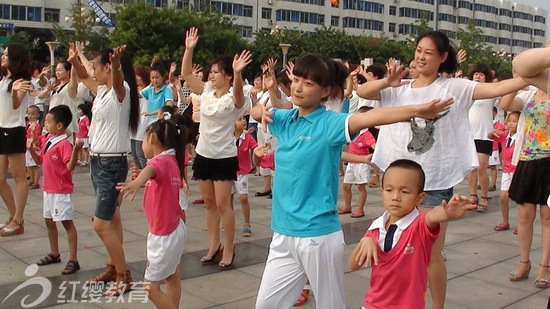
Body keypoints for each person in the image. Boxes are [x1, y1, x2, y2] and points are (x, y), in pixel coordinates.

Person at [252, 54, 453, 309]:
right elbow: (255, 109)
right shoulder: (285, 119)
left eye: (308, 83)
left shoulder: (330, 123)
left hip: (318, 234)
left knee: (330, 305)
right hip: (282, 232)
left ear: (325, 91)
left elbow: (372, 118)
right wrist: (261, 111)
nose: (299, 88)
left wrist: (416, 111)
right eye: (297, 80)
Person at [356, 31, 527, 309]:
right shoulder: (398, 88)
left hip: (434, 182)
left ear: (443, 57)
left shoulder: (455, 88)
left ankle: (437, 306)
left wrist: (529, 74)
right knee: (398, 248)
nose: (421, 57)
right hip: (399, 183)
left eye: (429, 53)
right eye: (418, 51)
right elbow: (362, 91)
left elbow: (496, 89)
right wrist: (387, 81)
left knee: (432, 253)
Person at [348, 159, 475, 309]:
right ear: (382, 193)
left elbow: (433, 216)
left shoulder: (419, 226)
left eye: (405, 191)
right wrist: (365, 241)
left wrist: (446, 212)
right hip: (373, 305)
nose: (395, 197)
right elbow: (353, 265)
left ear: (419, 198)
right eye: (389, 190)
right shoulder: (376, 228)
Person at [67, 43, 140, 296]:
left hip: (112, 164)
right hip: (99, 162)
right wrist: (76, 59)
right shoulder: (101, 91)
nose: (94, 72)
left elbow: (118, 80)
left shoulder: (122, 91)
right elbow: (85, 74)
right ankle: (112, 266)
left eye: (98, 67)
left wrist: (117, 66)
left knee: (100, 224)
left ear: (108, 67)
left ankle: (123, 276)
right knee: (113, 218)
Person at [181, 27, 250, 270]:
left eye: (216, 72)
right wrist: (189, 49)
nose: (211, 76)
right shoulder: (207, 91)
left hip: (224, 156)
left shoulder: (234, 96)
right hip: (203, 153)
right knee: (209, 203)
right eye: (210, 72)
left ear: (228, 75)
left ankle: (229, 247)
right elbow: (186, 75)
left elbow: (240, 95)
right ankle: (214, 244)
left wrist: (238, 75)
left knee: (224, 205)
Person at [117, 119, 187, 309]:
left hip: (163, 233)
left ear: (153, 138)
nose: (142, 144)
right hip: (175, 228)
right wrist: (141, 177)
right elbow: (154, 173)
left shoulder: (160, 161)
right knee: (172, 275)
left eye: (144, 139)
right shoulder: (172, 159)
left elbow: (152, 169)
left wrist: (136, 182)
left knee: (150, 287)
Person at [501, 45, 550, 289]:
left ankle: (545, 265)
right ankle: (524, 261)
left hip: (549, 160)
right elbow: (505, 103)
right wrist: (516, 83)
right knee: (524, 215)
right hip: (528, 158)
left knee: (548, 215)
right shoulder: (530, 93)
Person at [27, 105, 83, 275]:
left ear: (59, 125)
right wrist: (31, 148)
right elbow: (40, 161)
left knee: (67, 223)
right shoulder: (48, 139)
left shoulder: (64, 144)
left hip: (61, 190)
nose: (45, 124)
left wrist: (75, 152)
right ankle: (54, 253)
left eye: (48, 122)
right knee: (49, 221)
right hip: (49, 189)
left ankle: (73, 259)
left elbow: (70, 167)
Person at [0, 42, 33, 236]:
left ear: (15, 58)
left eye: (6, 54)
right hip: (2, 129)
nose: (3, 57)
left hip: (14, 130)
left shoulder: (22, 81)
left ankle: (18, 219)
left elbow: (16, 105)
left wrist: (14, 91)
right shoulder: (4, 78)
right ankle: (14, 216)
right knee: (0, 179)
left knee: (20, 177)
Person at [467, 64, 497, 212]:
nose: (478, 76)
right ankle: (473, 195)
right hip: (468, 135)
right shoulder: (467, 91)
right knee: (471, 168)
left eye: (482, 74)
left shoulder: (490, 93)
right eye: (476, 74)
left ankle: (484, 196)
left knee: (481, 167)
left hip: (484, 135)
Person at [338, 106, 376, 218]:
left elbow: (374, 146)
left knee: (361, 187)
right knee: (346, 186)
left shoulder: (366, 134)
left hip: (362, 163)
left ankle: (360, 209)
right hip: (351, 162)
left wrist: (375, 155)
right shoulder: (354, 130)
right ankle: (347, 206)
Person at [488, 112, 519, 231]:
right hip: (507, 171)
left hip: (518, 171)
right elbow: (491, 136)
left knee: (520, 201)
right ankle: (505, 221)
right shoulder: (505, 136)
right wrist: (493, 132)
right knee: (503, 197)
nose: (511, 123)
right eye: (509, 120)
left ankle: (522, 225)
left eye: (514, 121)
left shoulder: (522, 137)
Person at [231, 116, 257, 237]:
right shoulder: (227, 137)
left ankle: (247, 223)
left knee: (243, 198)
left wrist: (260, 150)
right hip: (228, 171)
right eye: (239, 119)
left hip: (242, 172)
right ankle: (229, 221)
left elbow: (255, 147)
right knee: (228, 199)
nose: (243, 121)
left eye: (244, 119)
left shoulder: (248, 138)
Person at [26, 105, 42, 189]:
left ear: (38, 115)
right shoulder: (28, 124)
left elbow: (36, 136)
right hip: (28, 146)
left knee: (35, 165)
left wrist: (34, 144)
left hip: (34, 146)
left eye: (32, 114)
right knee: (30, 165)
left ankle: (36, 182)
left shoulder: (37, 125)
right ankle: (31, 180)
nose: (30, 116)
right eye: (29, 114)